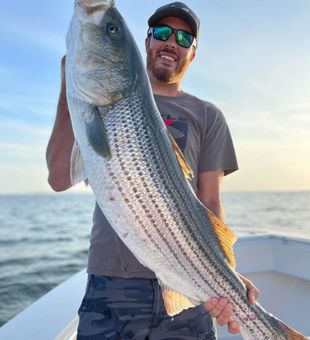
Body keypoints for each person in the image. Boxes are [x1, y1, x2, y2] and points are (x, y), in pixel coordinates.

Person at [46, 2, 259, 339]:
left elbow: (210, 201)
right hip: (112, 285)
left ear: (193, 53)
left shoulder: (208, 116)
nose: (171, 42)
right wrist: (68, 87)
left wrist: (224, 275)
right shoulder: (99, 100)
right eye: (162, 33)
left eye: (183, 38)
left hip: (188, 284)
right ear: (146, 42)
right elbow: (58, 178)